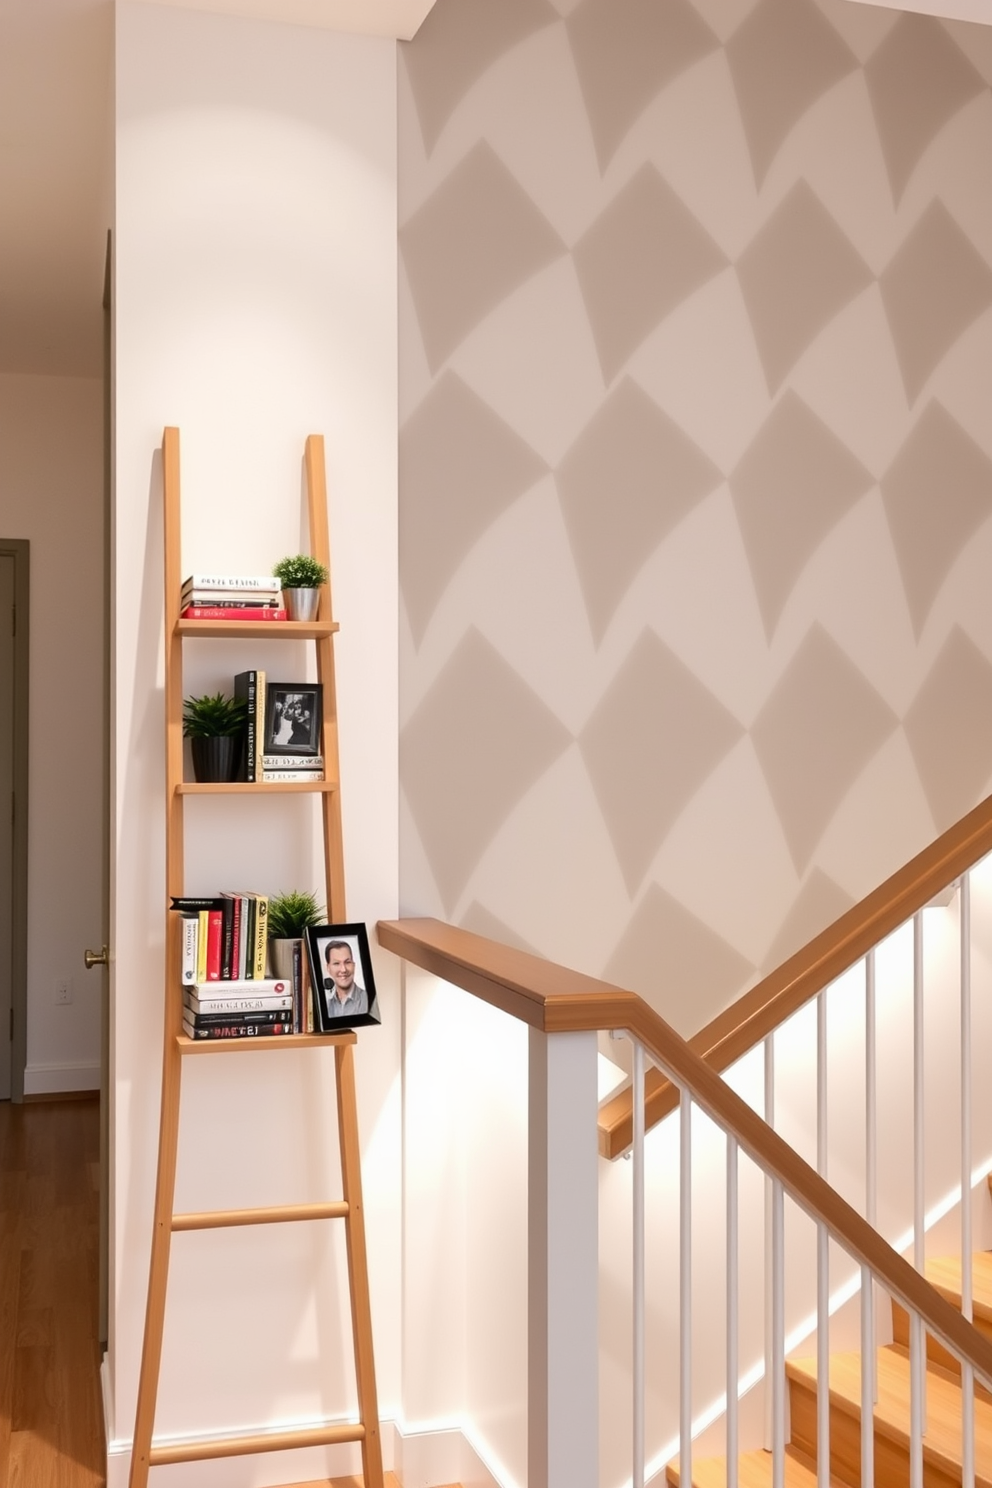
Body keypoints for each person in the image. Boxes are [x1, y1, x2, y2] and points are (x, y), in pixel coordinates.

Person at [323, 940, 367, 1018]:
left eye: (347, 962)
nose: (343, 969)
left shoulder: (368, 1000)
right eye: (336, 963)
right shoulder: (326, 1004)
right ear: (328, 968)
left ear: (354, 965)